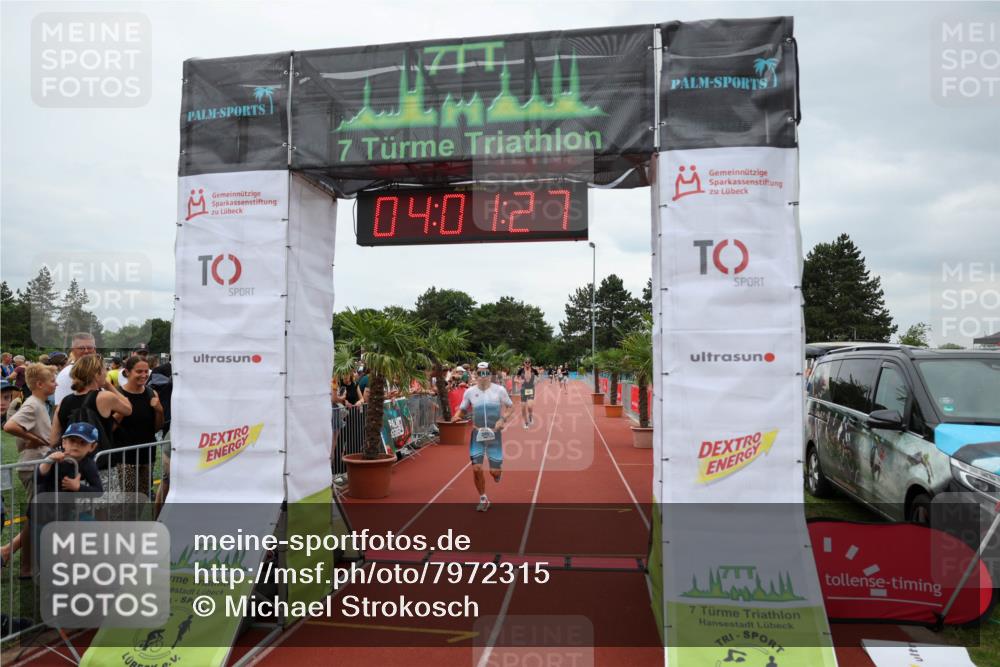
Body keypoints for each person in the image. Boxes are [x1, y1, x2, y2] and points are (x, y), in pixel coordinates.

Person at [1, 364, 56, 577]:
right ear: (40, 384)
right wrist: (35, 439)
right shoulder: (33, 405)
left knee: (37, 516)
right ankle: (12, 556)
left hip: (37, 464)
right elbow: (10, 426)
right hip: (32, 466)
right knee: (36, 517)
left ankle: (23, 564)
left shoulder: (39, 403)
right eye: (52, 380)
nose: (56, 383)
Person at [51, 354, 132, 491]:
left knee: (78, 512)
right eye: (103, 370)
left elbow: (53, 440)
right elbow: (128, 408)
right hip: (101, 468)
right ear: (96, 374)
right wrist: (108, 385)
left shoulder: (64, 402)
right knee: (104, 511)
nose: (106, 373)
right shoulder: (104, 397)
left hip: (73, 469)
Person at [451, 362, 514, 512]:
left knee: (494, 472)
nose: (483, 376)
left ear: (490, 375)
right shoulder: (470, 392)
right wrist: (456, 416)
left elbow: (511, 407)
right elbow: (462, 409)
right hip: (477, 434)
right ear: (476, 375)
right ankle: (483, 498)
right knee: (477, 468)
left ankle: (497, 473)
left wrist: (502, 419)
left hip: (494, 434)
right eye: (480, 373)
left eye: (486, 373)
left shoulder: (499, 390)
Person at [113, 355, 164, 499]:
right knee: (127, 500)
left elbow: (157, 427)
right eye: (139, 371)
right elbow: (108, 428)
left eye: (146, 371)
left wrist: (159, 410)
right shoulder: (117, 395)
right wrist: (121, 412)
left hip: (147, 455)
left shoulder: (151, 393)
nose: (144, 375)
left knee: (143, 497)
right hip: (124, 457)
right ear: (127, 372)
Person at [36, 422, 104, 495]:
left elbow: (98, 491)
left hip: (66, 504)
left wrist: (78, 487)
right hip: (43, 502)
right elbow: (37, 479)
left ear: (92, 447)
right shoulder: (53, 455)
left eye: (83, 442)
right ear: (64, 442)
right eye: (72, 440)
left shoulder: (88, 463)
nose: (76, 445)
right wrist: (48, 461)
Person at [54, 332, 98, 406]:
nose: (86, 351)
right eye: (81, 348)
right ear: (73, 350)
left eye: (90, 347)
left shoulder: (97, 371)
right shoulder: (67, 374)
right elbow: (60, 408)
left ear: (95, 349)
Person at [515, 358, 540, 428]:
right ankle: (526, 422)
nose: (527, 364)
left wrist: (537, 381)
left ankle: (530, 415)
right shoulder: (520, 370)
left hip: (531, 389)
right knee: (523, 408)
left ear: (530, 363)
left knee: (529, 406)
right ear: (524, 363)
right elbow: (515, 379)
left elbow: (538, 377)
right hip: (523, 390)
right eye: (526, 362)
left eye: (529, 362)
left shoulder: (534, 370)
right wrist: (519, 381)